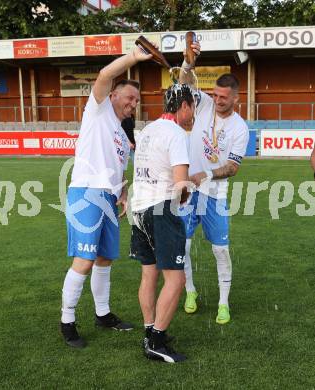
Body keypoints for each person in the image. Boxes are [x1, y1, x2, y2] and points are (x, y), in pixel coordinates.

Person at [60, 46, 153, 348]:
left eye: (137, 101)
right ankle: (67, 321)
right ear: (113, 95)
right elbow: (104, 75)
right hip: (87, 193)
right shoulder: (97, 111)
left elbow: (118, 168)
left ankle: (103, 314)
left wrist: (124, 192)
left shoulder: (121, 133)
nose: (133, 104)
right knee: (84, 261)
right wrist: (133, 58)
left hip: (109, 199)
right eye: (129, 98)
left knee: (104, 259)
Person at [179, 47, 249, 324]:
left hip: (214, 195)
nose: (218, 101)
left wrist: (205, 175)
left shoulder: (240, 128)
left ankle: (223, 303)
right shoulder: (204, 104)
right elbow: (184, 83)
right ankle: (190, 291)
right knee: (181, 246)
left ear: (235, 98)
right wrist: (187, 62)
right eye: (216, 95)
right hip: (187, 191)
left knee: (220, 250)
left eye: (224, 97)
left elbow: (232, 167)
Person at [130, 83, 196, 363]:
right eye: (193, 107)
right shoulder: (176, 134)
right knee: (176, 279)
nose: (193, 113)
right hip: (161, 208)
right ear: (183, 107)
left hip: (138, 207)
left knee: (149, 274)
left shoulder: (148, 129)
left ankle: (149, 332)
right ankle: (156, 341)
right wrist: (186, 193)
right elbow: (181, 183)